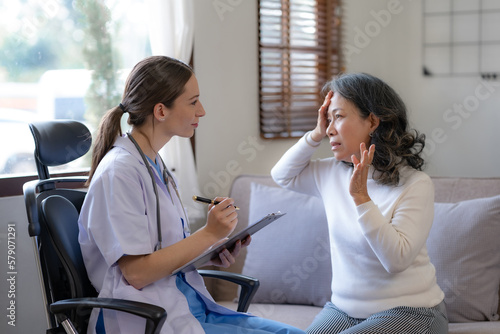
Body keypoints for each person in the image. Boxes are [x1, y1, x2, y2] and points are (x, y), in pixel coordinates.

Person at [78, 55, 306, 334]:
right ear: (161, 111)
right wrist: (209, 234)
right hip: (148, 319)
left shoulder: (154, 165)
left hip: (186, 307)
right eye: (193, 101)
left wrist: (210, 251)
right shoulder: (120, 172)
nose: (202, 111)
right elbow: (137, 274)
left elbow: (161, 253)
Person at [270, 73, 448, 334]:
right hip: (343, 310)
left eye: (339, 117)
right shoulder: (330, 173)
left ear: (373, 121)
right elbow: (281, 175)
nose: (330, 128)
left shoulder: (415, 184)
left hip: (413, 311)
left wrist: (362, 199)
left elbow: (396, 260)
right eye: (327, 119)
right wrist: (315, 134)